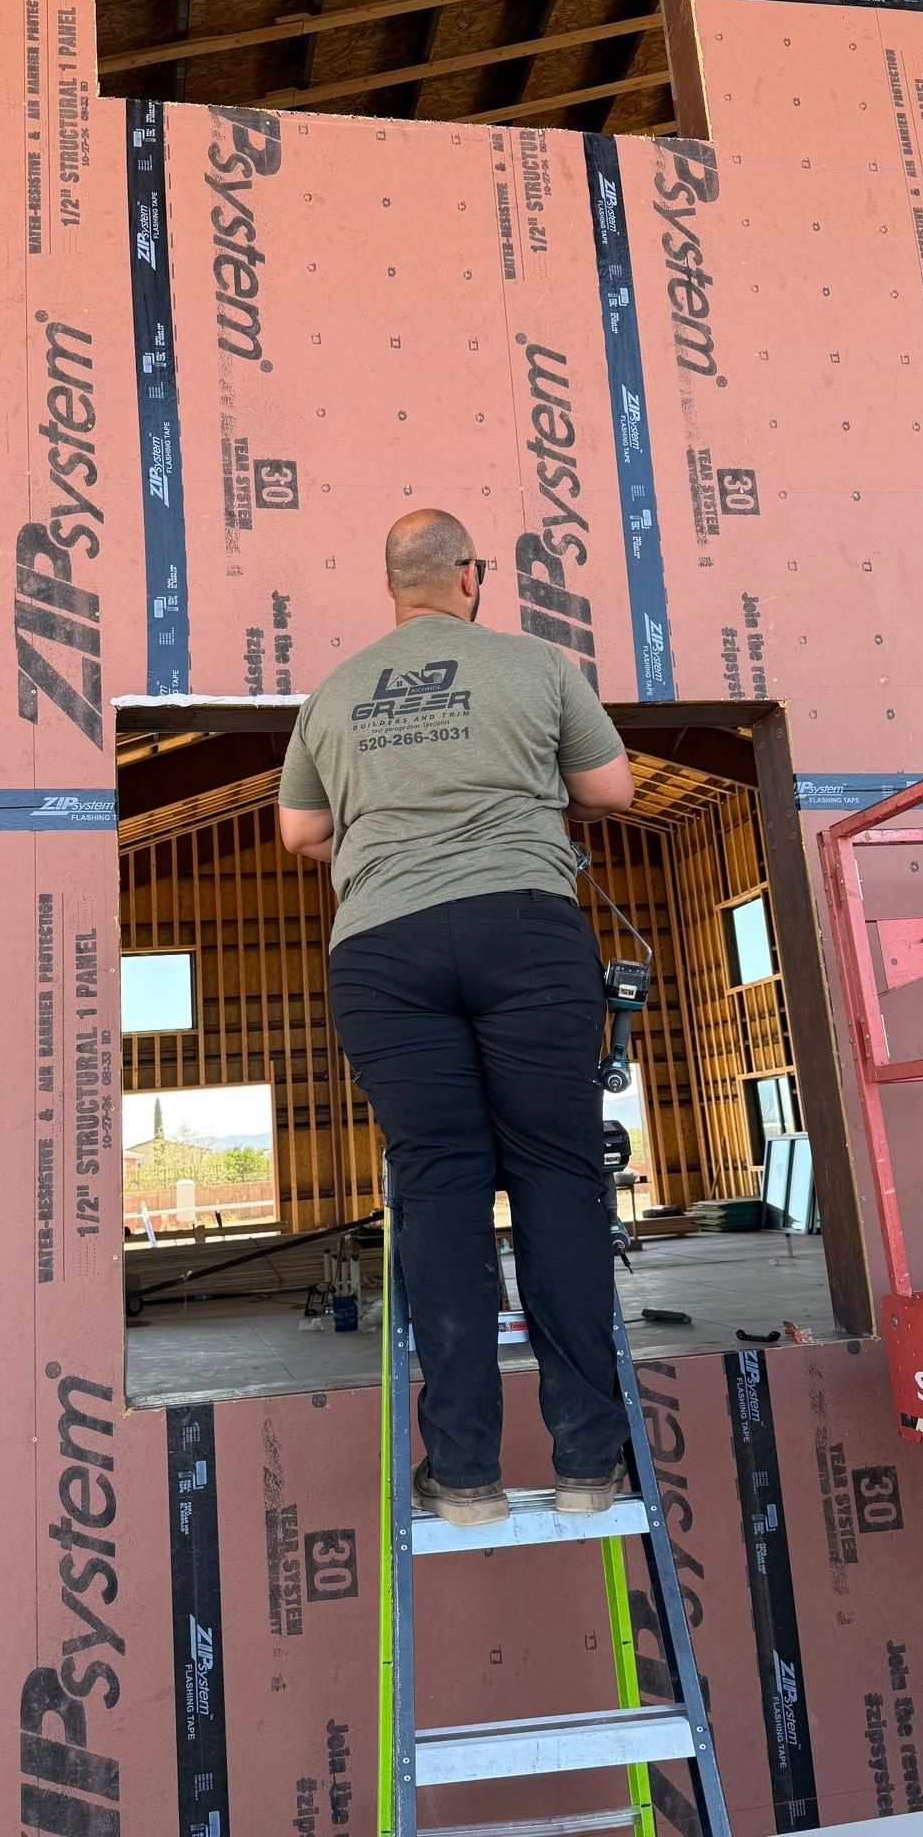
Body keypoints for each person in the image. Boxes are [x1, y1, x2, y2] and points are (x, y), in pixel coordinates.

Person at [277, 509, 636, 1526]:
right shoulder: (537, 662)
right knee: (558, 1176)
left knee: (437, 1185)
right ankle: (585, 1463)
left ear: (389, 585)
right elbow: (610, 787)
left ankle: (466, 1473)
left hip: (382, 949)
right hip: (524, 926)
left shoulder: (336, 691)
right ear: (473, 577)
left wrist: (389, 806)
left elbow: (301, 831)